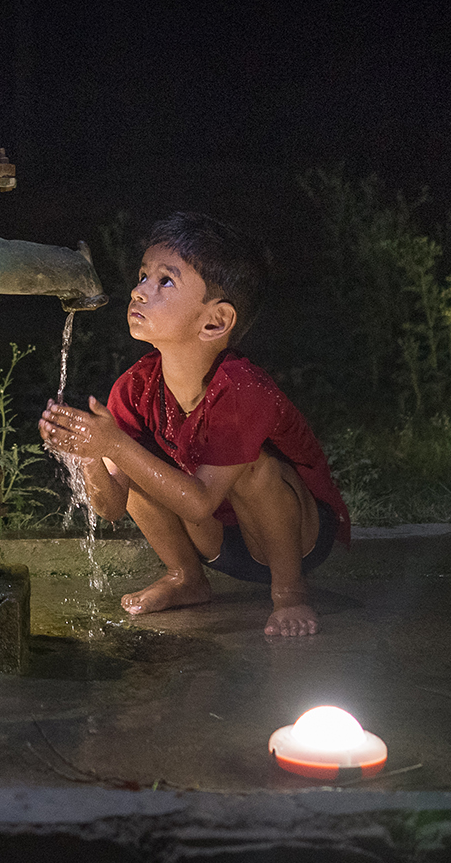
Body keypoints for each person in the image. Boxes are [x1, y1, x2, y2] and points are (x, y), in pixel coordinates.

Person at [39, 212, 351, 637]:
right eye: (143, 275)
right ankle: (185, 578)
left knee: (256, 468)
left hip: (296, 539)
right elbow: (111, 507)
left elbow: (201, 500)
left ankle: (291, 593)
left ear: (215, 322)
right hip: (216, 542)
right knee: (135, 460)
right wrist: (90, 455)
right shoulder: (133, 388)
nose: (138, 290)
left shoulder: (242, 390)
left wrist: (114, 444)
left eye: (164, 281)